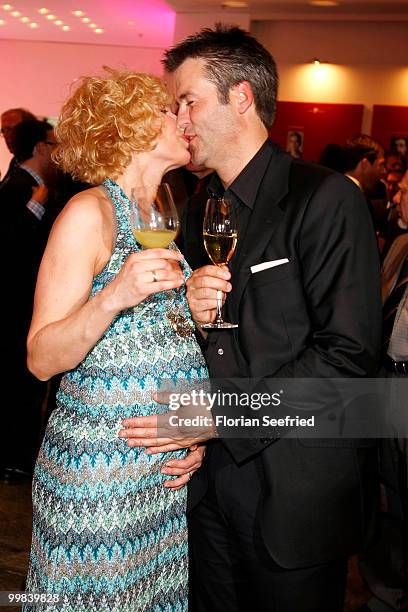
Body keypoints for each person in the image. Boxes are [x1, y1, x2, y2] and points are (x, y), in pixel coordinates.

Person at [119, 25, 382, 612]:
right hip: (207, 482)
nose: (178, 119)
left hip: (293, 487)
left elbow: (347, 355)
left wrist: (218, 415)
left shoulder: (324, 197)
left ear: (240, 97)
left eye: (188, 101)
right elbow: (199, 343)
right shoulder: (198, 208)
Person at [23, 68, 208, 610]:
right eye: (168, 111)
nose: (183, 120)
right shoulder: (90, 213)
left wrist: (194, 434)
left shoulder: (168, 211)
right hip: (98, 476)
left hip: (160, 480)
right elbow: (40, 357)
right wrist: (113, 295)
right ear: (127, 128)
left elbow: (163, 345)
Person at [358, 170, 408, 612]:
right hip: (385, 381)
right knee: (384, 488)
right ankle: (387, 590)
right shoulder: (398, 246)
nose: (397, 198)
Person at [0, 119, 56, 480]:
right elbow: (7, 245)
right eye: (52, 144)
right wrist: (36, 208)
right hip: (15, 308)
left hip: (22, 307)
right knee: (18, 387)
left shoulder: (34, 186)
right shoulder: (19, 187)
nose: (57, 151)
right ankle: (14, 461)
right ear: (39, 148)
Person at [0, 107, 36, 185]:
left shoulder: (36, 161)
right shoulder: (16, 160)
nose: (6, 135)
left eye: (11, 129)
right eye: (3, 131)